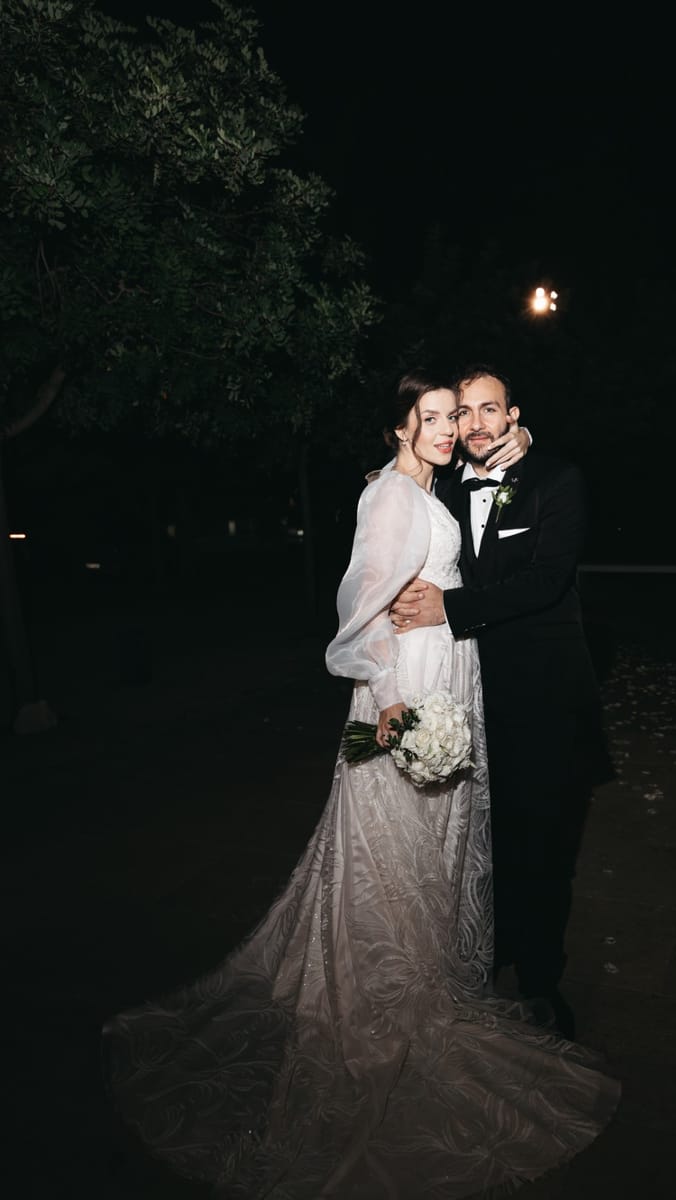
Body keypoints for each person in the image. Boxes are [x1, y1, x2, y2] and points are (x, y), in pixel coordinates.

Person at [103, 369, 618, 1198]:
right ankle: (387, 992)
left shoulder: (504, 480)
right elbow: (360, 611)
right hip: (408, 691)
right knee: (393, 848)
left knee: (470, 848)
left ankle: (507, 976)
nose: (457, 428)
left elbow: (535, 572)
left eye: (470, 413)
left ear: (508, 418)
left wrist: (453, 602)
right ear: (402, 427)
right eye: (440, 415)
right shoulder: (389, 496)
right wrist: (388, 706)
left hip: (484, 690)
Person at [390, 363, 615, 1041]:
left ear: (514, 416)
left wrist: (449, 609)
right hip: (473, 704)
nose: (477, 424)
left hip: (546, 706)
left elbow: (546, 582)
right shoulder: (447, 493)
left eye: (492, 410)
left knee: (547, 851)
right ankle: (489, 959)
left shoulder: (557, 480)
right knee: (485, 849)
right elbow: (400, 479)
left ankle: (543, 982)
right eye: (464, 413)